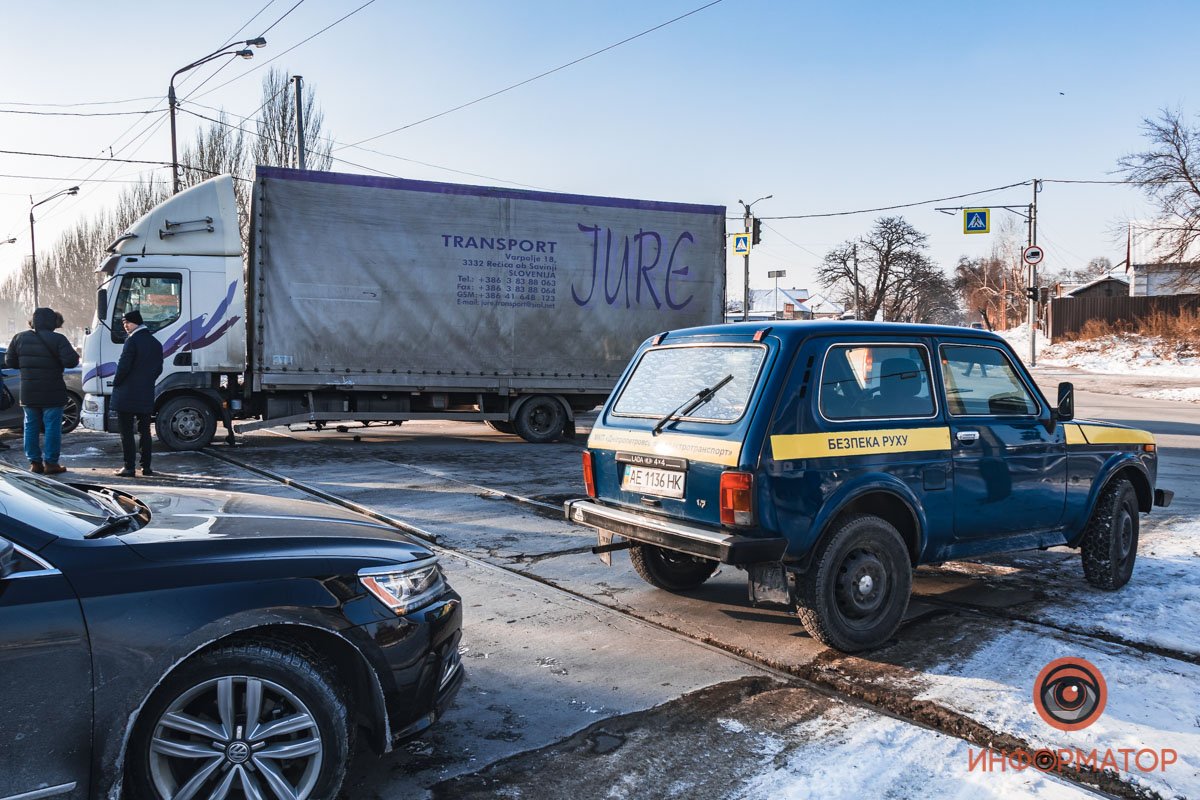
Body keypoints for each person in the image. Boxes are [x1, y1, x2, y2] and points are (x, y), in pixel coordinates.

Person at [4, 308, 80, 474]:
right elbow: (72, 361)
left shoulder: (19, 338)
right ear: (53, 322)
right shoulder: (58, 339)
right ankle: (51, 464)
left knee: (30, 427)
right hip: (53, 391)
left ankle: (34, 463)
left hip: (29, 391)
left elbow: (10, 362)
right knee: (52, 427)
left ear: (33, 321)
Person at [112, 309, 164, 477]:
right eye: (124, 323)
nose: (125, 326)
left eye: (127, 322)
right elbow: (158, 369)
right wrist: (147, 381)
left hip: (127, 393)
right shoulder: (155, 343)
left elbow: (123, 366)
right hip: (146, 392)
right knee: (145, 431)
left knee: (126, 432)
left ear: (136, 322)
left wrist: (117, 382)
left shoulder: (132, 341)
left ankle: (129, 467)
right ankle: (146, 467)